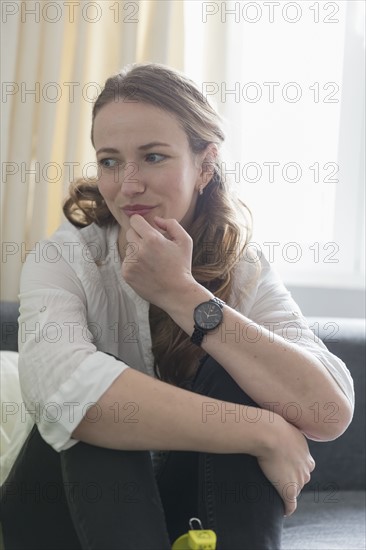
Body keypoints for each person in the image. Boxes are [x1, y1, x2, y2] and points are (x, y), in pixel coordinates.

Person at [1, 63, 354, 550]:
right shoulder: (62, 259)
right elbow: (65, 393)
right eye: (109, 161)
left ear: (205, 165)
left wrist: (183, 295)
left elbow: (328, 409)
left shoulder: (243, 266)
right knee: (93, 416)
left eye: (152, 157)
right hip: (60, 515)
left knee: (242, 365)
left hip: (188, 507)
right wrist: (264, 432)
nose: (128, 185)